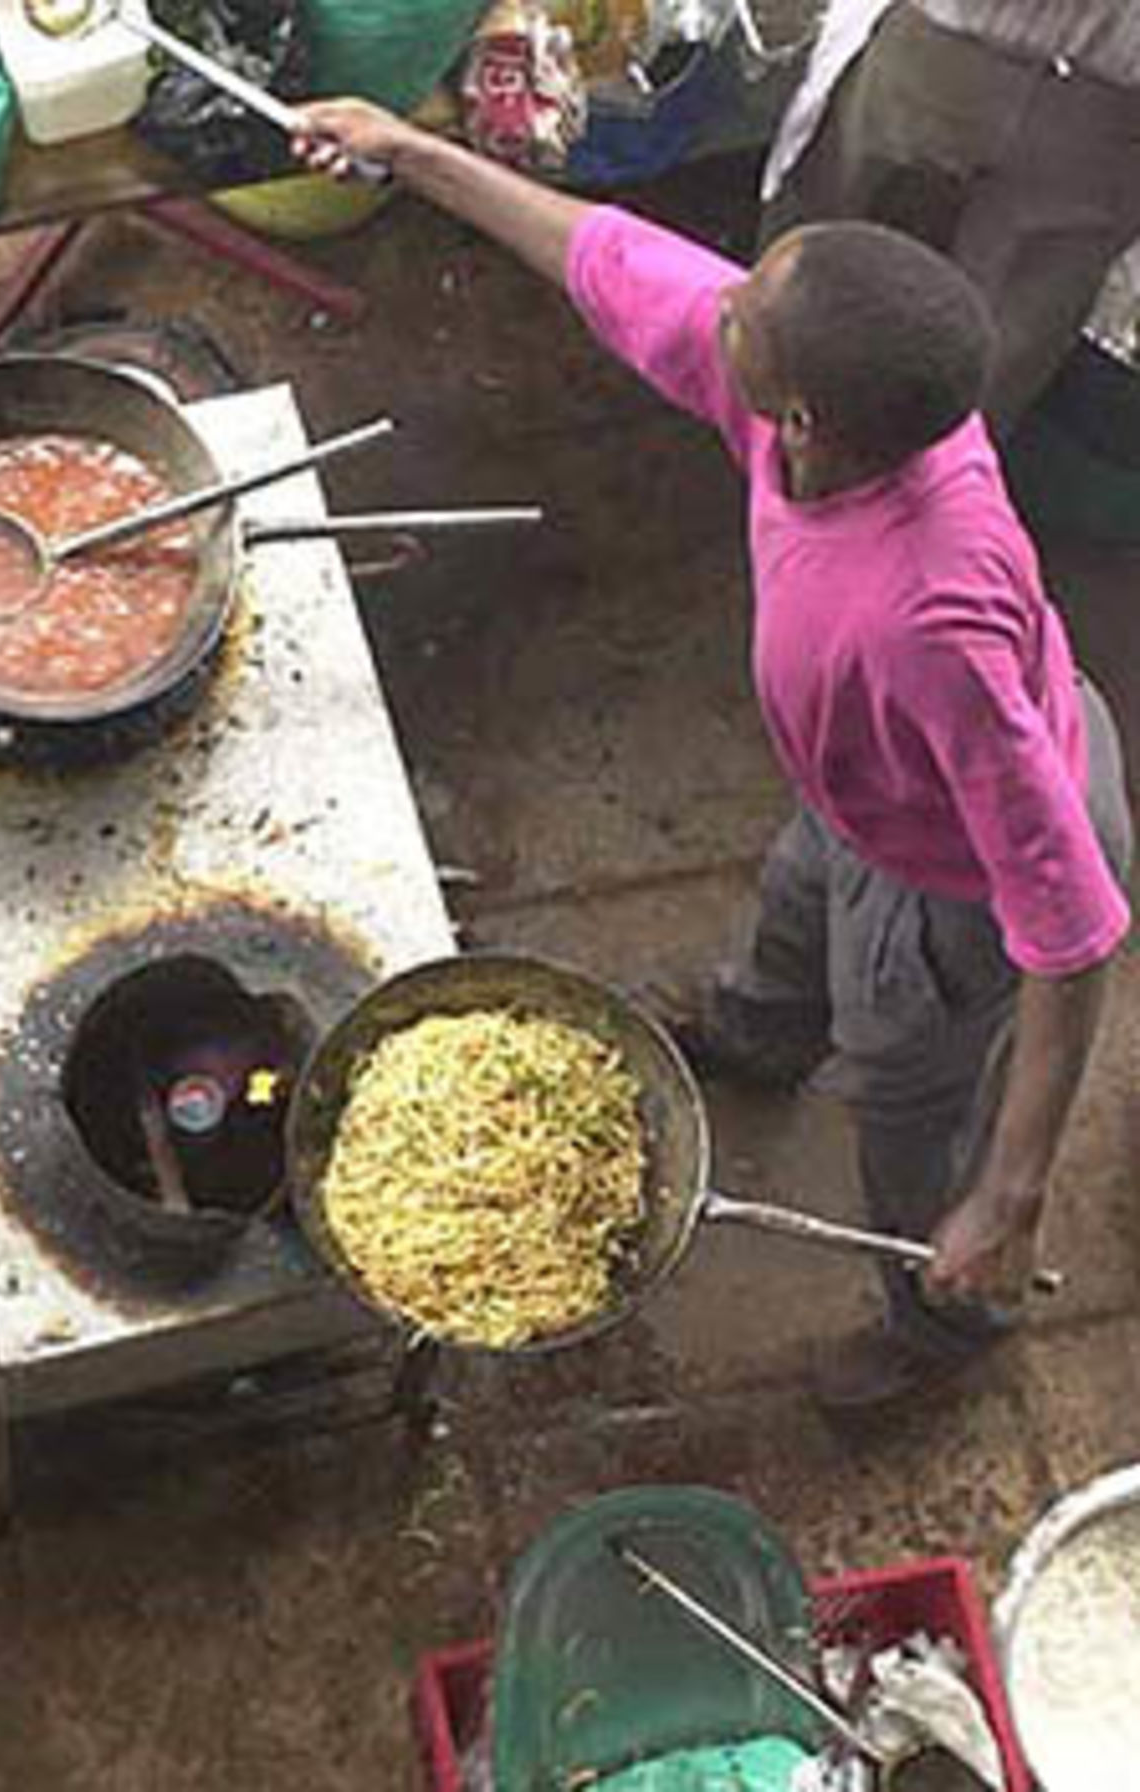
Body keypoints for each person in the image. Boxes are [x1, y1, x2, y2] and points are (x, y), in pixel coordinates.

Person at [290, 101, 1133, 1408]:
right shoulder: (827, 414)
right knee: (798, 905)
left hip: (958, 873)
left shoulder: (931, 627)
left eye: (742, 320)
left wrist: (1010, 1200)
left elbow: (1071, 926)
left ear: (800, 414)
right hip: (865, 793)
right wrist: (410, 152)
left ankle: (940, 1323)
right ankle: (755, 1037)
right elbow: (606, 256)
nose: (718, 309)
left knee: (908, 1110)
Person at [760, 1, 1140, 434]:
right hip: (1095, 123)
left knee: (800, 311)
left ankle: (750, 458)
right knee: (970, 391)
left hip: (950, 65)